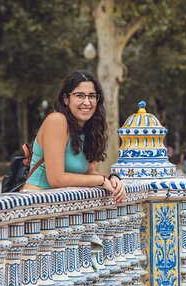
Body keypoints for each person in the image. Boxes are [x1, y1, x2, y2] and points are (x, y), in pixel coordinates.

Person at [22, 70, 127, 204]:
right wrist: (101, 181)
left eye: (92, 96)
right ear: (66, 99)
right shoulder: (57, 120)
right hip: (37, 203)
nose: (87, 102)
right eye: (80, 96)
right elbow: (56, 179)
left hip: (65, 208)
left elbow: (86, 174)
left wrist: (112, 178)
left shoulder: (90, 131)